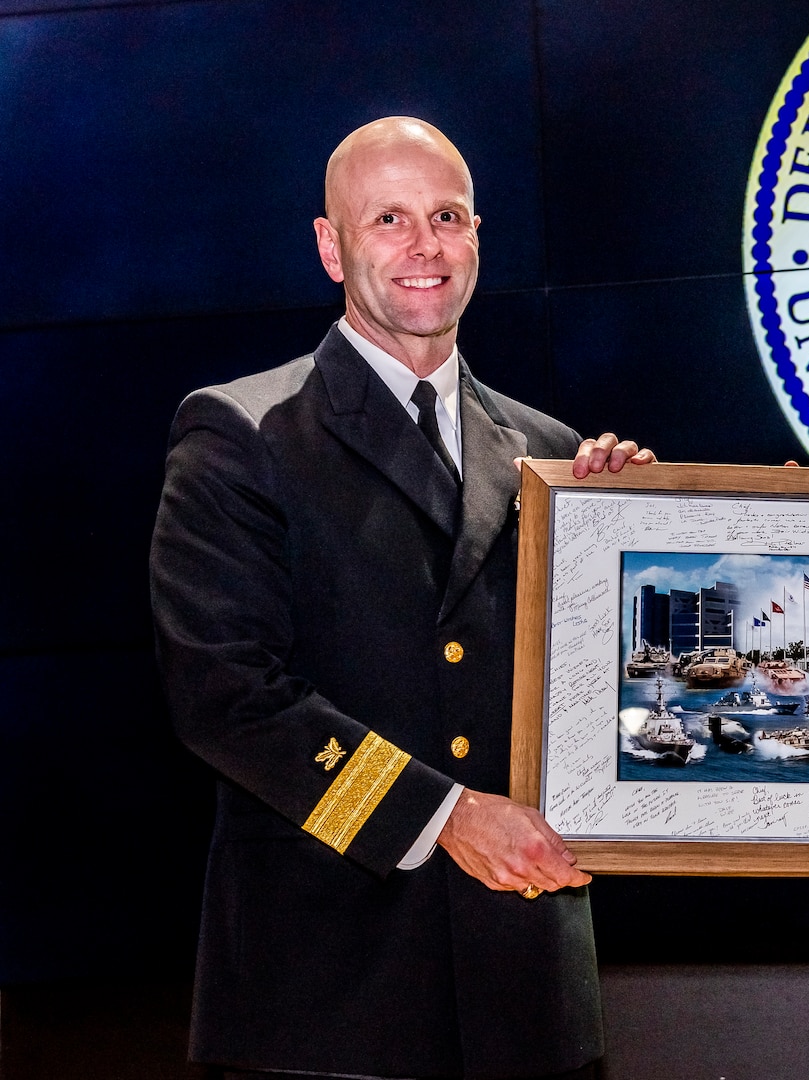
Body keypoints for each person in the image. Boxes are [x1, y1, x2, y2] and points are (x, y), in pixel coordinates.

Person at [150, 117, 652, 1080]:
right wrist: (447, 816)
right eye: (389, 218)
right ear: (331, 247)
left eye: (447, 216)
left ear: (477, 237)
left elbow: (610, 703)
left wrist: (637, 545)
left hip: (527, 997)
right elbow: (224, 698)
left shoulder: (552, 456)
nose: (425, 247)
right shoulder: (240, 432)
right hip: (326, 1005)